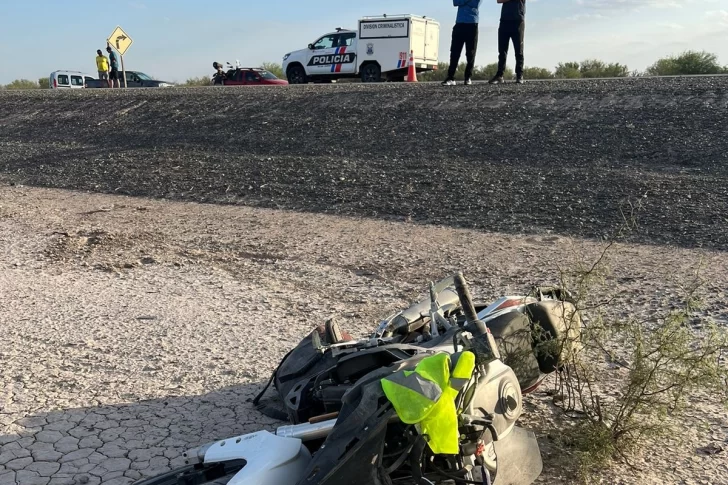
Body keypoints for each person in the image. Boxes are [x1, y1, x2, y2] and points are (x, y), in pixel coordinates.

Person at [442, 0, 482, 86]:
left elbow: (476, 4)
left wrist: (463, 1)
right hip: (459, 23)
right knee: (454, 52)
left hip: (472, 23)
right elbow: (455, 2)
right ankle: (450, 77)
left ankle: (468, 77)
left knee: (470, 52)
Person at [489, 0, 526, 84]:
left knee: (519, 50)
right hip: (504, 20)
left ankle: (519, 75)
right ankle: (499, 75)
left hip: (518, 20)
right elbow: (499, 0)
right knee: (502, 50)